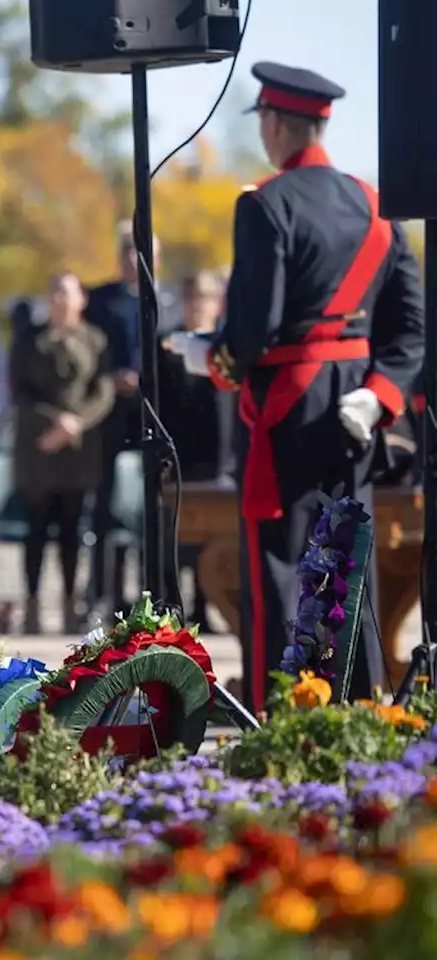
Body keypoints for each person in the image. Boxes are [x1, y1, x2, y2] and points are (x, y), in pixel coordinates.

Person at [167, 62, 424, 712]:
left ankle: (277, 719)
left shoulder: (265, 203)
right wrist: (380, 395)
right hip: (355, 413)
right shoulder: (375, 206)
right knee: (348, 571)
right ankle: (361, 718)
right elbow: (411, 331)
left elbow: (254, 328)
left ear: (276, 124)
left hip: (287, 405)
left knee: (279, 574)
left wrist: (208, 359)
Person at [84, 224, 181, 613]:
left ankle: (155, 593)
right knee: (107, 509)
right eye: (126, 250)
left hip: (153, 415)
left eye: (141, 251)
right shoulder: (100, 301)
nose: (133, 258)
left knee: (153, 511)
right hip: (109, 418)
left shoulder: (169, 301)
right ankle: (105, 594)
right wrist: (111, 377)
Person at [10, 271, 113, 634]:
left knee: (72, 529)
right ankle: (33, 603)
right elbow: (19, 392)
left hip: (78, 449)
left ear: (81, 299)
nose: (61, 300)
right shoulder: (28, 339)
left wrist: (75, 423)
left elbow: (103, 390)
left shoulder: (95, 340)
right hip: (38, 447)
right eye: (55, 292)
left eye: (68, 293)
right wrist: (53, 423)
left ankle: (71, 603)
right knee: (36, 529)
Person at [157, 270, 233, 631]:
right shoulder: (167, 347)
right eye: (192, 298)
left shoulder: (227, 344)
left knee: (212, 539)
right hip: (179, 453)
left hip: (219, 455)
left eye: (206, 298)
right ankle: (176, 606)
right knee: (178, 537)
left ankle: (206, 607)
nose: (198, 305)